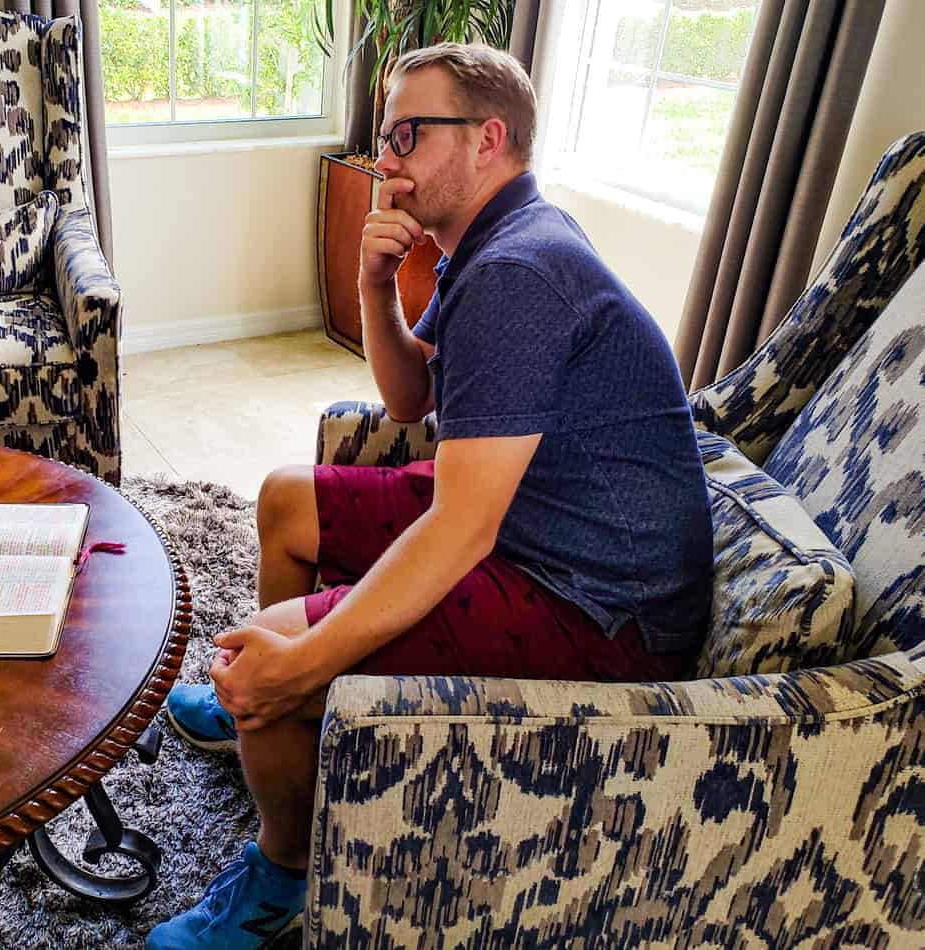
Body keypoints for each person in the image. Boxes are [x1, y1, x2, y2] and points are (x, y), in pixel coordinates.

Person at [146, 42, 712, 950]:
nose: (386, 159)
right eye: (384, 134)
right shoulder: (490, 243)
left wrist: (309, 654)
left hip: (597, 608)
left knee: (274, 654)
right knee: (287, 501)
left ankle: (284, 873)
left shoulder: (517, 272)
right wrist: (375, 283)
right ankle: (293, 725)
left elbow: (461, 528)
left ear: (489, 138)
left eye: (409, 132)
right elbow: (411, 400)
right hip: (527, 515)